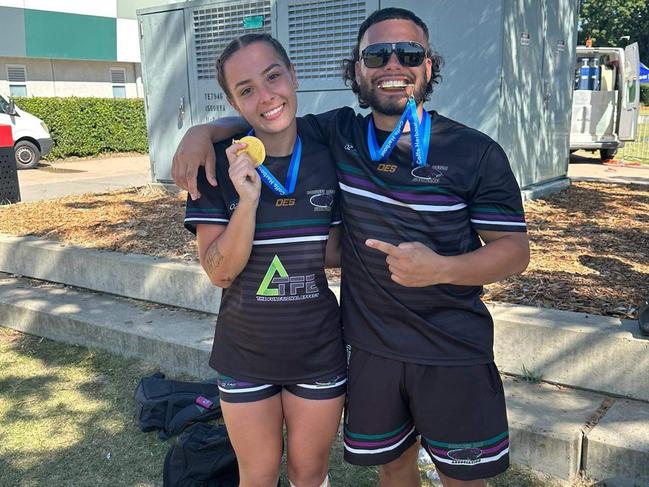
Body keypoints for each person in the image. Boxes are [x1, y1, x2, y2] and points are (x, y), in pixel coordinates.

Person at [174, 8, 530, 487]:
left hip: (452, 349)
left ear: (429, 65)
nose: (393, 64)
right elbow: (267, 116)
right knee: (395, 469)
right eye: (377, 54)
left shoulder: (476, 152)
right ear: (358, 69)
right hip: (371, 348)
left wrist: (441, 268)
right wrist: (201, 133)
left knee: (463, 480)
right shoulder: (338, 134)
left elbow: (514, 251)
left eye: (409, 53)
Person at [183, 33, 346, 487]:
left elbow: (331, 251)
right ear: (234, 102)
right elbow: (219, 272)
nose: (266, 95)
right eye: (247, 89)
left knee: (308, 474)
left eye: (273, 76)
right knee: (256, 477)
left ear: (293, 76)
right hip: (244, 353)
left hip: (318, 351)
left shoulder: (330, 145)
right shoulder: (216, 166)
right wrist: (248, 202)